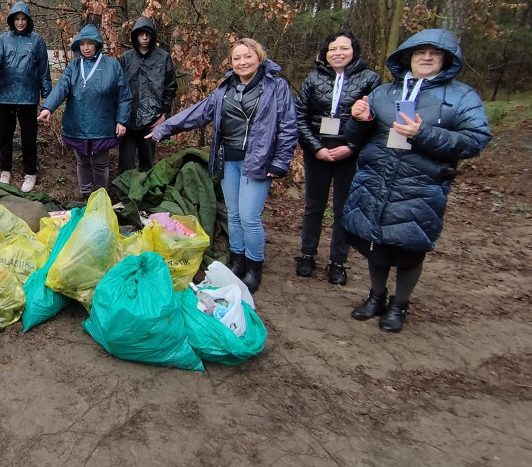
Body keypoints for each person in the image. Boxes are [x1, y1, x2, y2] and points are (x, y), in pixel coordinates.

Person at [343, 29, 490, 333]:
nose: (426, 57)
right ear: (408, 56)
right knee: (376, 243)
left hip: (420, 185)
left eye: (434, 53)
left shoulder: (461, 96)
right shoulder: (384, 92)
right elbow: (355, 138)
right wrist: (360, 120)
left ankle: (400, 305)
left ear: (445, 60)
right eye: (420, 52)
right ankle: (376, 297)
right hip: (376, 179)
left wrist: (423, 134)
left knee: (409, 247)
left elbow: (475, 140)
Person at [150, 38, 297, 293]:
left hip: (258, 161)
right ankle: (237, 261)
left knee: (250, 217)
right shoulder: (225, 88)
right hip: (228, 159)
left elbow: (288, 126)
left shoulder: (276, 87)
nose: (242, 62)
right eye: (237, 58)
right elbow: (198, 112)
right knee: (235, 214)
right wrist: (164, 128)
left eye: (247, 57)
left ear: (259, 57)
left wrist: (281, 161)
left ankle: (254, 268)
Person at [294, 30, 381, 285]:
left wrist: (352, 147)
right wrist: (316, 147)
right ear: (325, 52)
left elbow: (375, 120)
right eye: (333, 49)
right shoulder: (313, 79)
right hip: (317, 151)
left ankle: (338, 261)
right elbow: (300, 116)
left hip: (349, 153)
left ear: (354, 51)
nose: (338, 53)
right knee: (313, 206)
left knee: (343, 208)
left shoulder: (370, 79)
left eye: (344, 48)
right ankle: (307, 254)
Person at [38, 24, 132, 199]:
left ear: (97, 44)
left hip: (102, 125)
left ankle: (100, 197)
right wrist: (48, 107)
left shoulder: (112, 65)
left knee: (100, 163)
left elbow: (124, 96)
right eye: (82, 44)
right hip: (77, 123)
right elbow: (61, 87)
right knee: (82, 161)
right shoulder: (74, 66)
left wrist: (122, 121)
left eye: (89, 43)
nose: (86, 47)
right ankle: (86, 196)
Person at [0, 1, 52, 193]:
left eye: (23, 19)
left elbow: (44, 70)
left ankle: (30, 173)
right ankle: (5, 170)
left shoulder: (37, 40)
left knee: (29, 136)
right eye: (17, 19)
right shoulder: (3, 39)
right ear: (12, 20)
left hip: (28, 96)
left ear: (28, 20)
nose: (20, 22)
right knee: (5, 136)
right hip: (6, 95)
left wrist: (47, 98)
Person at [118, 16, 177, 174]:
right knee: (126, 164)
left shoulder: (163, 58)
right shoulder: (126, 58)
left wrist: (164, 115)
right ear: (135, 36)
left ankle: (145, 197)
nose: (144, 38)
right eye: (140, 34)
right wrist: (119, 118)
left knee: (147, 164)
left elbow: (170, 88)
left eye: (147, 34)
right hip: (128, 120)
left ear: (152, 35)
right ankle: (124, 196)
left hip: (152, 121)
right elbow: (118, 89)